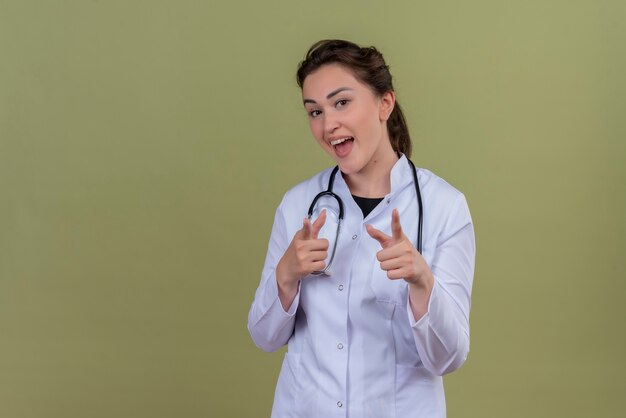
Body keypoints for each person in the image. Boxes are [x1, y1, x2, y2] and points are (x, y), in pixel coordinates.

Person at [247, 39, 475, 418]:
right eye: (314, 111)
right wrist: (285, 276)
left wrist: (422, 282)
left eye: (341, 102)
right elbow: (264, 337)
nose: (327, 124)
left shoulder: (444, 208)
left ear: (385, 103)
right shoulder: (299, 204)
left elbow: (448, 358)